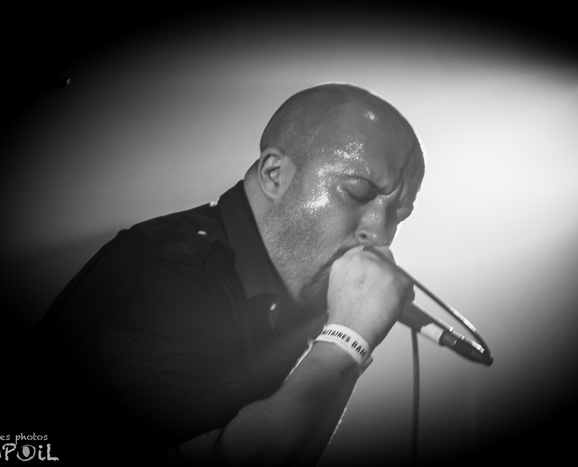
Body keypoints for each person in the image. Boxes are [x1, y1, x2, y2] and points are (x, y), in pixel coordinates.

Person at [31, 82, 425, 465]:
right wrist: (348, 339)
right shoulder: (170, 274)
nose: (379, 233)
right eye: (358, 192)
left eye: (398, 215)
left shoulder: (298, 303)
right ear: (275, 174)